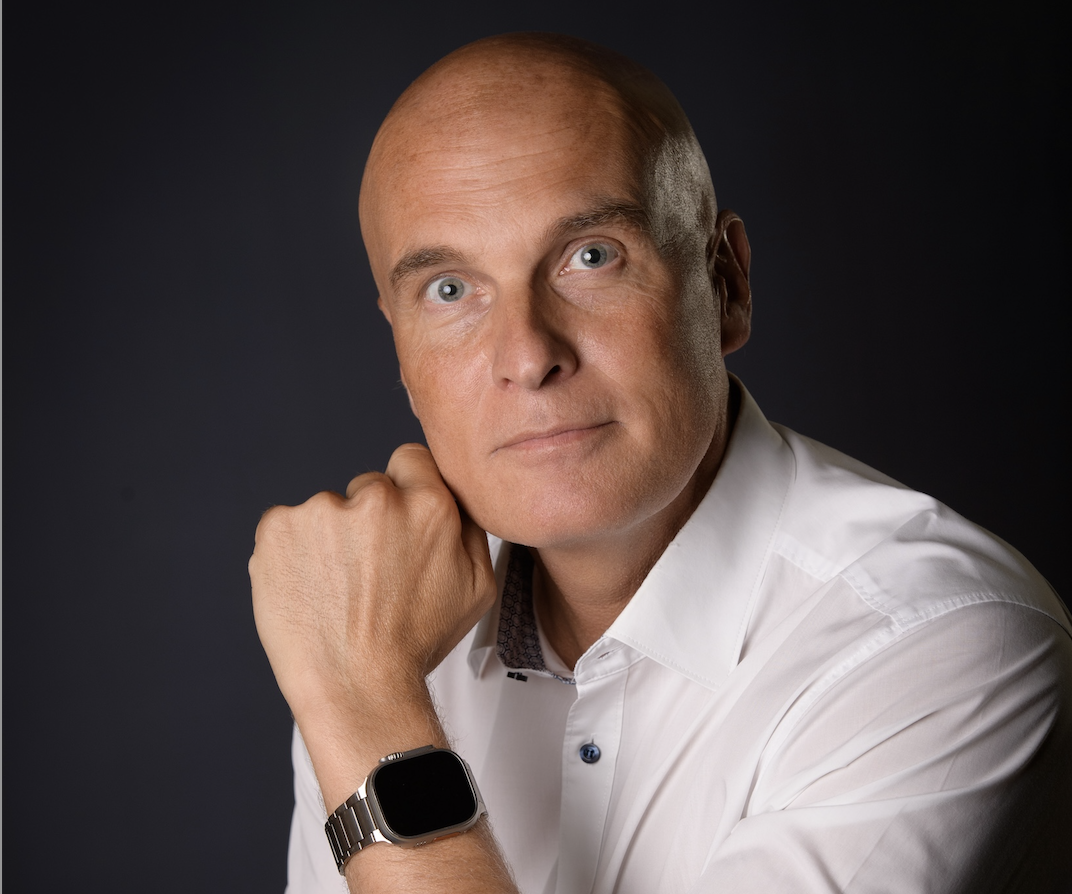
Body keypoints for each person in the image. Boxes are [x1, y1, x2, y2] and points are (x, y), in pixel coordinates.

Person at [249, 32, 1072, 894]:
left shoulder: (941, 647)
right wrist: (366, 687)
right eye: (449, 290)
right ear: (400, 349)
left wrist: (367, 707)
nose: (527, 355)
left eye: (591, 256)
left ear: (726, 286)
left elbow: (366, 704)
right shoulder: (380, 628)